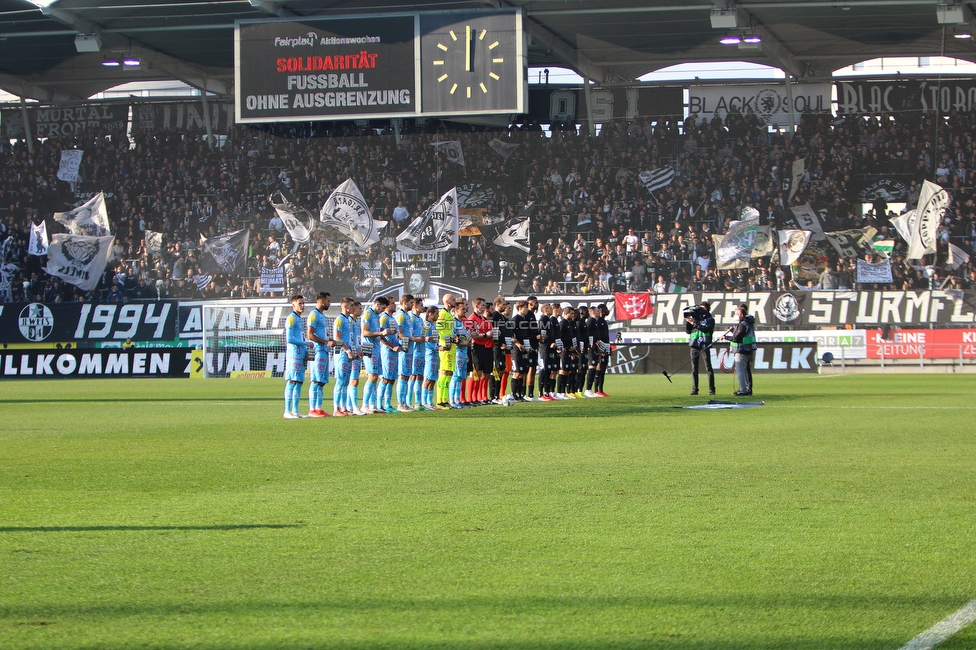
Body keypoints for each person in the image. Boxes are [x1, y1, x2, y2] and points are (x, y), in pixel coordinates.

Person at [360, 296, 390, 414]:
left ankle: (373, 405)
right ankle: (364, 405)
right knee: (372, 376)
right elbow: (364, 332)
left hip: (376, 347)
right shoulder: (368, 313)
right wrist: (381, 332)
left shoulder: (377, 316)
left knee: (376, 376)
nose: (383, 310)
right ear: (377, 304)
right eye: (382, 308)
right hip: (368, 347)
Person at [306, 291, 334, 417]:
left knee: (322, 381)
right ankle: (312, 409)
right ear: (321, 301)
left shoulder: (323, 316)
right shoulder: (313, 314)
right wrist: (324, 341)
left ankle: (319, 408)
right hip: (317, 350)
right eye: (328, 301)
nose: (330, 303)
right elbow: (310, 335)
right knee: (316, 380)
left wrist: (329, 340)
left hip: (324, 350)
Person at [283, 294, 307, 419]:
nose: (302, 306)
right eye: (300, 303)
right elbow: (290, 338)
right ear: (293, 305)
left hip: (301, 352)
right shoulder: (291, 318)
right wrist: (305, 343)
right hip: (294, 353)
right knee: (292, 380)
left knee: (299, 381)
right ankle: (287, 411)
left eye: (303, 303)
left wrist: (306, 349)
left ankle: (295, 410)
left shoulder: (299, 319)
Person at [724, 302, 757, 396]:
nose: (735, 316)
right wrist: (733, 331)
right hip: (748, 349)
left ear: (741, 314)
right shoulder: (749, 323)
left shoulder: (742, 324)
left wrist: (726, 338)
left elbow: (737, 338)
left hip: (741, 350)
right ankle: (747, 388)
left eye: (737, 313)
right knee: (746, 370)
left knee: (740, 370)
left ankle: (743, 390)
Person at [684, 300, 715, 396]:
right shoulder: (695, 318)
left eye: (703, 308)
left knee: (708, 367)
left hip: (705, 343)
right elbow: (688, 331)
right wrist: (688, 322)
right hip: (694, 343)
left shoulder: (710, 319)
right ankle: (694, 389)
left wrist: (694, 323)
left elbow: (705, 328)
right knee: (694, 368)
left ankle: (711, 389)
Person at [332, 296, 356, 416]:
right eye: (351, 305)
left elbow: (350, 338)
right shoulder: (339, 320)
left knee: (346, 382)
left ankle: (344, 407)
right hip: (342, 354)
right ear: (345, 307)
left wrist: (354, 350)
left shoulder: (349, 320)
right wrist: (347, 351)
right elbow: (337, 338)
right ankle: (336, 409)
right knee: (340, 381)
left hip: (349, 354)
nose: (353, 307)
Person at [435, 293, 458, 408]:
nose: (455, 301)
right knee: (444, 371)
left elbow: (449, 330)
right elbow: (438, 330)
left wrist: (455, 337)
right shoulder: (443, 314)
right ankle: (440, 400)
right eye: (453, 300)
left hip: (452, 346)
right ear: (448, 302)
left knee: (450, 372)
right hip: (446, 346)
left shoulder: (449, 314)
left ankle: (445, 399)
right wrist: (448, 340)